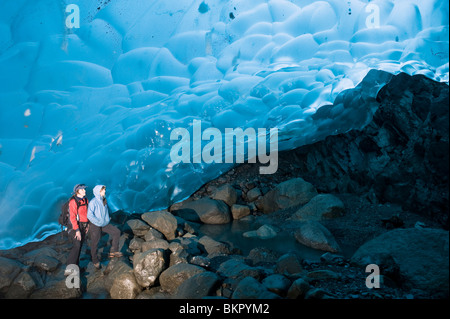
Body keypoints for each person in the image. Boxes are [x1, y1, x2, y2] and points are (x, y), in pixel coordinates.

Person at [87, 185, 122, 269]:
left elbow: (107, 210)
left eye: (104, 190)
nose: (104, 191)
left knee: (116, 232)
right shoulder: (93, 202)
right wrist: (98, 222)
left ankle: (114, 251)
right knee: (95, 242)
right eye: (103, 190)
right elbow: (89, 215)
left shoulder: (104, 200)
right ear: (98, 192)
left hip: (104, 223)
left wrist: (108, 217)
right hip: (95, 225)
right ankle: (95, 260)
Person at [66, 184, 89, 271]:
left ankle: (76, 267)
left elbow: (87, 213)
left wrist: (87, 225)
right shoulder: (73, 201)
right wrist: (77, 230)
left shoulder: (85, 199)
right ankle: (70, 269)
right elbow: (72, 217)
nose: (84, 191)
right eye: (82, 189)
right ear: (77, 191)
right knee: (77, 245)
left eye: (84, 189)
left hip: (83, 226)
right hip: (74, 227)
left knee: (79, 246)